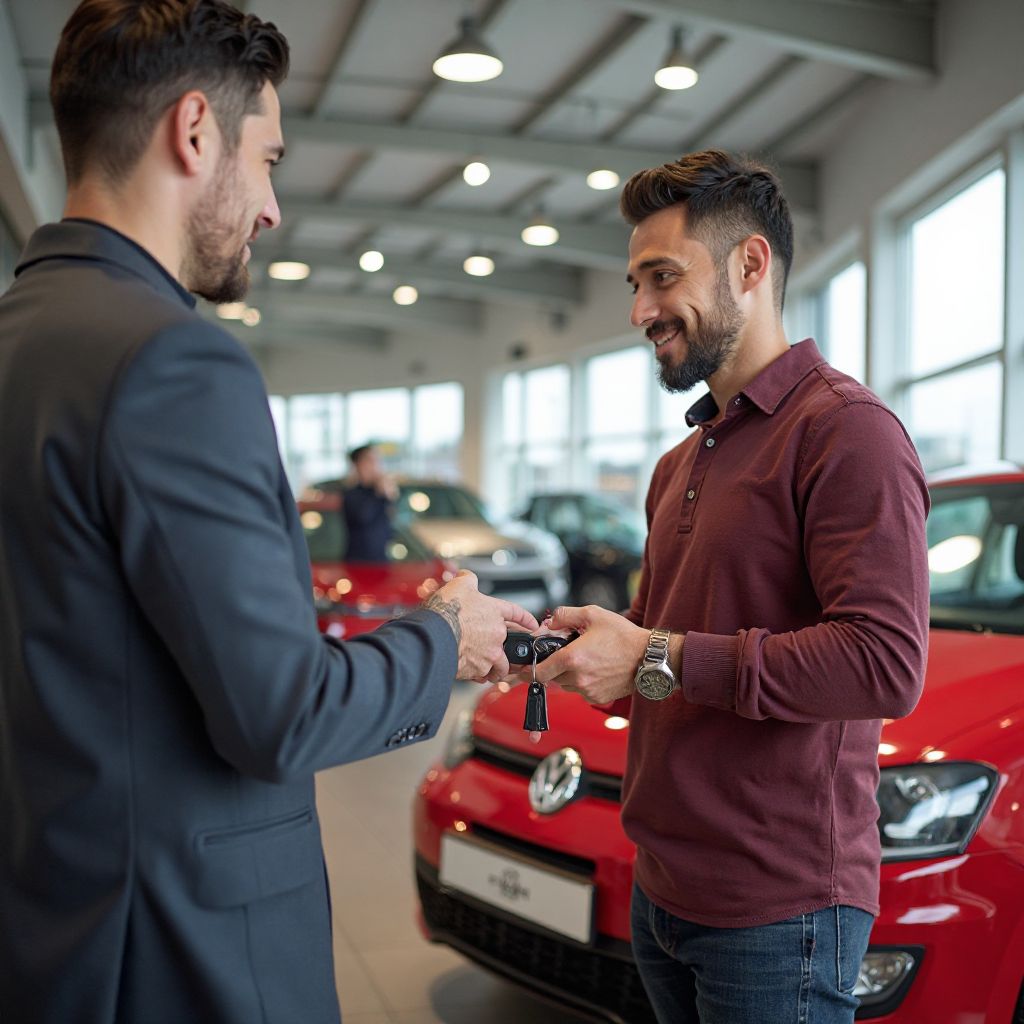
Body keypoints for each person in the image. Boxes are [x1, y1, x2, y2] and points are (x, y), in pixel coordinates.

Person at [0, 3, 537, 1023]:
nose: (273, 208)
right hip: (176, 950)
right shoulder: (171, 360)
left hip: (56, 915)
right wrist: (443, 637)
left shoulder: (22, 337)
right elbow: (279, 714)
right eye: (271, 158)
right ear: (194, 132)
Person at [535, 150, 930, 1023]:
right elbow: (659, 651)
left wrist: (657, 656)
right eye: (635, 283)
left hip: (779, 910)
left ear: (751, 265)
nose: (641, 311)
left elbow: (885, 663)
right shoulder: (681, 461)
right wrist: (572, 651)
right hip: (665, 887)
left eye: (662, 277)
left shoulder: (846, 432)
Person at [343, 442, 397, 562]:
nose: (375, 465)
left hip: (382, 560)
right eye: (370, 460)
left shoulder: (381, 492)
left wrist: (389, 496)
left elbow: (392, 524)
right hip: (358, 563)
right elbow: (362, 516)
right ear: (358, 464)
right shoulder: (352, 493)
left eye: (377, 461)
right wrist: (377, 493)